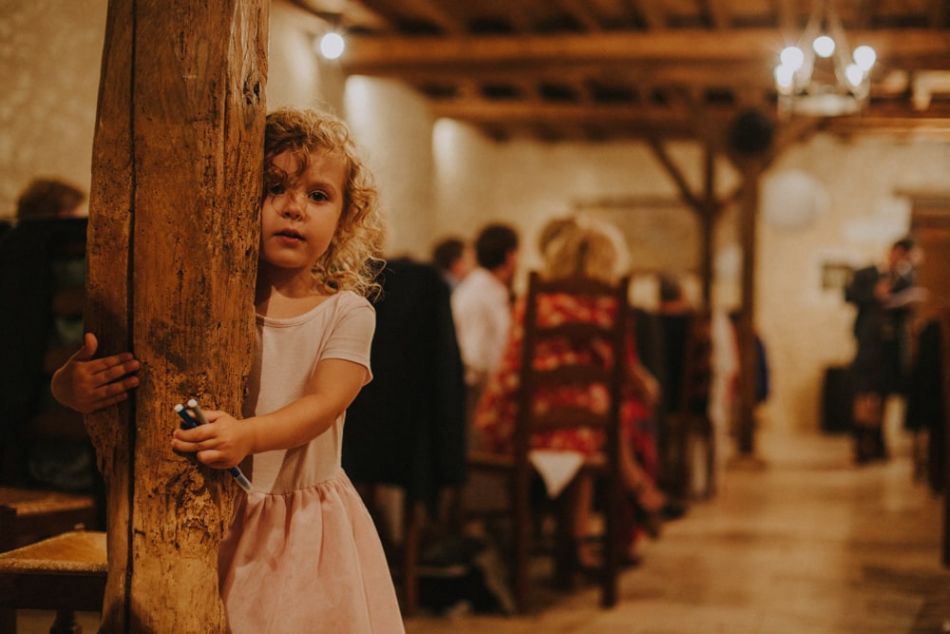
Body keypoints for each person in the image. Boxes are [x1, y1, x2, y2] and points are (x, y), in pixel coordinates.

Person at [50, 108, 403, 632]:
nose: (293, 208)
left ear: (346, 218)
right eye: (273, 187)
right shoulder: (199, 305)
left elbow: (324, 404)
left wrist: (246, 435)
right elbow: (105, 374)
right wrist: (73, 386)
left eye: (318, 195)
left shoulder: (346, 312)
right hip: (198, 513)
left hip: (299, 523)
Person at [474, 215, 666, 567]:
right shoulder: (607, 306)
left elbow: (510, 365)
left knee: (595, 419)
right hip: (580, 431)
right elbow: (622, 371)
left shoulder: (533, 300)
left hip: (515, 422)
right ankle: (615, 514)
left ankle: (570, 537)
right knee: (608, 419)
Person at [845, 237, 923, 464]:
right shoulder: (867, 274)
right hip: (869, 341)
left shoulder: (906, 279)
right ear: (894, 252)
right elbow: (850, 295)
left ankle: (878, 439)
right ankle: (861, 441)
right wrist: (874, 294)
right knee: (864, 390)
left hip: (891, 344)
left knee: (884, 391)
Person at [451, 223, 519, 415]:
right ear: (510, 256)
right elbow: (484, 355)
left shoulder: (474, 287)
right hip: (481, 392)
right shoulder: (486, 293)